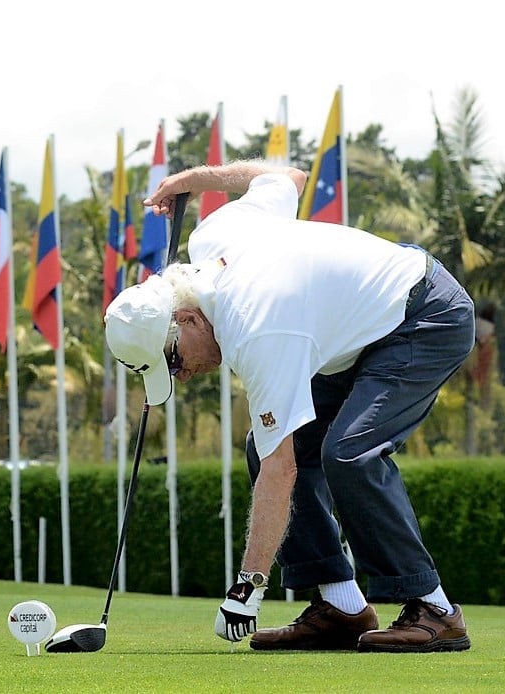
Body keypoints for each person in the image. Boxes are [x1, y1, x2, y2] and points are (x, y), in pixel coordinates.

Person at [103, 160, 475, 653]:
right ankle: (342, 606)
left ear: (188, 318)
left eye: (171, 360)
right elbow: (286, 176)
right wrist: (194, 183)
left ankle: (436, 609)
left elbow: (282, 474)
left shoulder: (256, 328)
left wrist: (248, 587)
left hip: (425, 314)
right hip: (358, 333)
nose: (182, 375)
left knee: (348, 454)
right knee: (267, 446)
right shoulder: (213, 237)